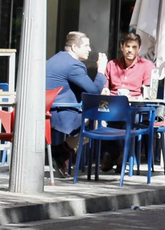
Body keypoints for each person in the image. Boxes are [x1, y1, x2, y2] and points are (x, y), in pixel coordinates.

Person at [46, 31, 107, 174]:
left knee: (94, 118)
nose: (90, 49)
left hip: (48, 110)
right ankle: (60, 151)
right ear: (74, 47)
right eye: (86, 45)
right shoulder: (74, 65)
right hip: (61, 114)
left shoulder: (55, 58)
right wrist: (102, 71)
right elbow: (94, 92)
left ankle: (61, 154)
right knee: (98, 122)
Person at [106, 32, 155, 97]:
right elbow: (104, 89)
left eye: (134, 47)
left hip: (135, 105)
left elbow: (148, 95)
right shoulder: (111, 65)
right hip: (114, 103)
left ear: (139, 49)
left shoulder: (147, 66)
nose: (130, 50)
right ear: (122, 47)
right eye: (127, 46)